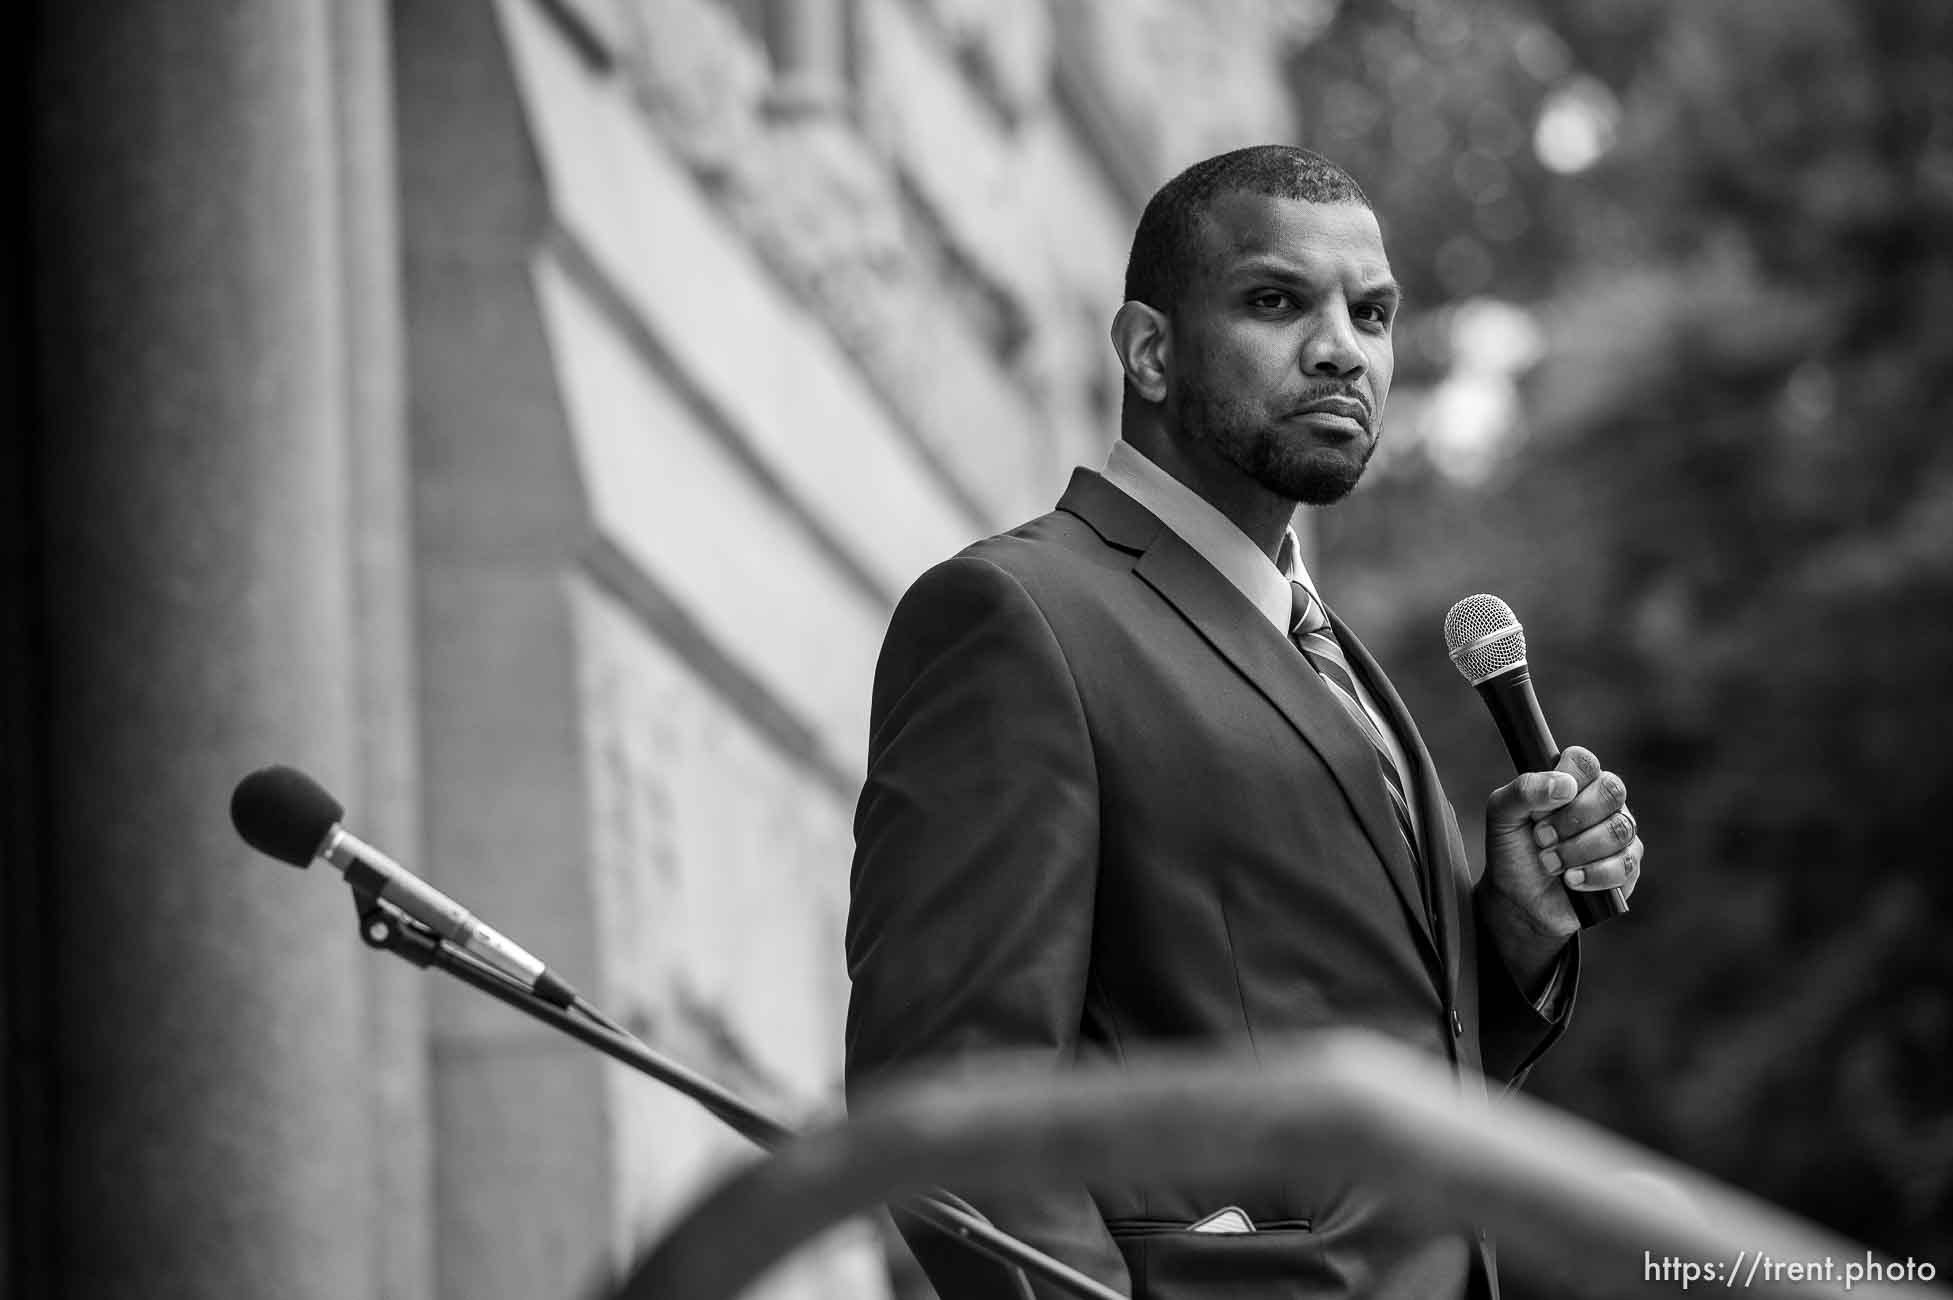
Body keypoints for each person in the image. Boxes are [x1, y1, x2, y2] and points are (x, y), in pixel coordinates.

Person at [843, 145, 1643, 1300]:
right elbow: (949, 1103)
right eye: (1278, 302)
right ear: (1150, 351)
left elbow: (1352, 1059)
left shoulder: (1332, 652)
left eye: (1371, 313)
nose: (1342, 349)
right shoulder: (1018, 618)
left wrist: (1507, 942)